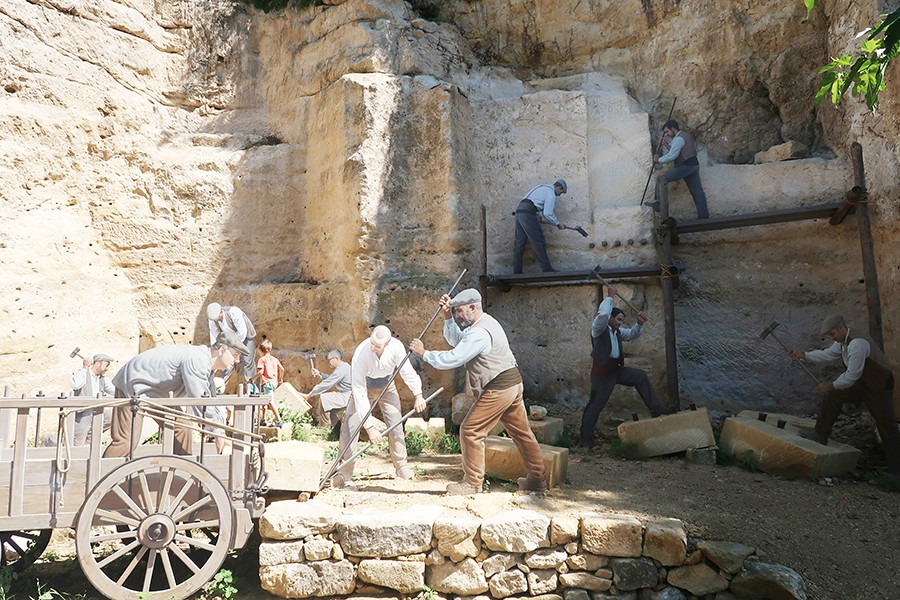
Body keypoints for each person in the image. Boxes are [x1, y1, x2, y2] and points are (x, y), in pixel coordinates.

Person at [410, 288, 546, 495]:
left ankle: (472, 483)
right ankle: (537, 480)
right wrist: (447, 316)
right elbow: (458, 340)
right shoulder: (485, 323)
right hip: (511, 384)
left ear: (473, 307)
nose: (458, 316)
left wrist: (424, 353)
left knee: (470, 430)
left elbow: (454, 357)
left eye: (459, 311)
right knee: (522, 434)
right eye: (455, 312)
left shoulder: (479, 333)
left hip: (499, 387)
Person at [103, 332, 250, 458]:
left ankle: (181, 473)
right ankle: (100, 480)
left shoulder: (206, 366)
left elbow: (209, 400)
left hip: (157, 394)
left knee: (182, 428)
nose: (237, 361)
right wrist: (217, 433)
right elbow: (199, 399)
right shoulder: (197, 360)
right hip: (133, 384)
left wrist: (221, 431)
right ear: (222, 350)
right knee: (127, 441)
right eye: (235, 355)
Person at [788, 315, 900, 479]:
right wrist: (804, 355)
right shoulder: (842, 341)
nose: (832, 338)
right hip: (863, 384)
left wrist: (830, 385)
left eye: (833, 334)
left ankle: (896, 471)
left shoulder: (857, 344)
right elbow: (827, 354)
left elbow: (852, 375)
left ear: (841, 328)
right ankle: (820, 435)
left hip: (879, 386)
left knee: (887, 426)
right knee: (834, 396)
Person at [332, 326, 426, 488]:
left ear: (387, 344)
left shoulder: (396, 347)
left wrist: (418, 395)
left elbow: (407, 372)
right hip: (364, 386)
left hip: (387, 385)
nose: (373, 347)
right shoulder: (361, 353)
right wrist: (369, 427)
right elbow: (359, 392)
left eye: (377, 346)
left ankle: (401, 466)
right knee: (350, 426)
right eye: (372, 343)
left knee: (396, 424)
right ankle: (344, 472)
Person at [579, 285, 673, 448]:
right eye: (618, 319)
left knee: (640, 376)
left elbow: (631, 334)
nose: (620, 322)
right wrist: (610, 297)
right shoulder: (599, 329)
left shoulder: (617, 332)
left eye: (621, 320)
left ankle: (656, 409)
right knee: (595, 405)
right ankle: (585, 439)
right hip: (602, 375)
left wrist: (639, 324)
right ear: (611, 318)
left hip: (616, 370)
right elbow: (602, 315)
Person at [651, 120, 709, 219]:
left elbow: (673, 155)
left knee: (661, 178)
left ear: (673, 129)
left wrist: (659, 160)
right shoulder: (685, 135)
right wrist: (666, 145)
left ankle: (658, 203)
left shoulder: (678, 139)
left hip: (685, 166)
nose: (667, 134)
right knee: (697, 191)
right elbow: (679, 150)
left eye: (667, 131)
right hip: (693, 165)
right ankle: (704, 216)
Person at [513, 178, 569, 274]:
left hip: (519, 212)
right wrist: (558, 223)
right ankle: (547, 269)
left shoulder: (541, 187)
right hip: (528, 214)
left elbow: (531, 202)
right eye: (561, 192)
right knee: (538, 240)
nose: (559, 195)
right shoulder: (551, 193)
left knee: (519, 244)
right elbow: (548, 213)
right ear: (559, 187)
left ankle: (517, 271)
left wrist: (539, 217)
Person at [206, 302, 257, 386]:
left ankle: (251, 387)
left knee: (247, 361)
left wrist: (233, 347)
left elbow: (242, 332)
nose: (217, 320)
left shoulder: (233, 312)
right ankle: (222, 387)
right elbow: (215, 336)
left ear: (221, 311)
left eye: (218, 317)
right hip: (228, 339)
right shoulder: (212, 319)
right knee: (225, 360)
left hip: (245, 337)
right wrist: (218, 349)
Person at [69, 353, 115, 446]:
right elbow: (75, 385)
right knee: (77, 443)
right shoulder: (83, 373)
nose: (107, 369)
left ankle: (90, 437)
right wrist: (84, 367)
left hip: (96, 411)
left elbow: (115, 391)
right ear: (97, 364)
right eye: (106, 365)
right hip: (82, 413)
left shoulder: (103, 379)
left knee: (110, 417)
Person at [306, 349, 351, 433]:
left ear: (336, 359)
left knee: (325, 398)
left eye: (329, 360)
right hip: (346, 394)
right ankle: (334, 430)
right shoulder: (342, 368)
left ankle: (324, 429)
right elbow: (331, 378)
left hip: (348, 396)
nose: (328, 362)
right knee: (331, 406)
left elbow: (328, 383)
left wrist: (310, 394)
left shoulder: (342, 368)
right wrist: (320, 374)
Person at [255, 339, 284, 426]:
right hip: (274, 382)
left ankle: (279, 420)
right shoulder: (274, 359)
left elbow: (260, 372)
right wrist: (280, 378)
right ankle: (263, 419)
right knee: (264, 401)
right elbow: (282, 369)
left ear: (260, 350)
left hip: (266, 382)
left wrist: (252, 378)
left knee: (270, 401)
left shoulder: (262, 359)